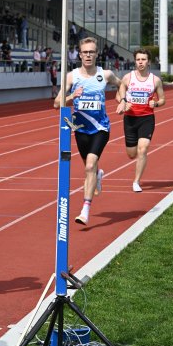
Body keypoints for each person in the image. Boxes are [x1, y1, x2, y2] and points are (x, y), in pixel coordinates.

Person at [54, 37, 121, 226]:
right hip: (80, 129)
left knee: (90, 165)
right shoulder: (71, 77)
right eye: (85, 52)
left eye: (92, 52)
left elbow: (121, 83)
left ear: (97, 53)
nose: (88, 55)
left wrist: (122, 99)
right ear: (80, 54)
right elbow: (56, 103)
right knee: (89, 167)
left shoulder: (105, 74)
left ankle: (85, 210)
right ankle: (98, 175)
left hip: (101, 128)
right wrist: (71, 95)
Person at [115, 48, 165, 192]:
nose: (140, 62)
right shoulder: (127, 78)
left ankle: (136, 181)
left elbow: (162, 100)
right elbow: (118, 96)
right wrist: (124, 102)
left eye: (143, 60)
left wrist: (155, 103)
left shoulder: (155, 80)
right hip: (130, 119)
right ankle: (135, 157)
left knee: (143, 150)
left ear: (148, 62)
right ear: (135, 61)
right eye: (138, 60)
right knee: (131, 154)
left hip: (146, 119)